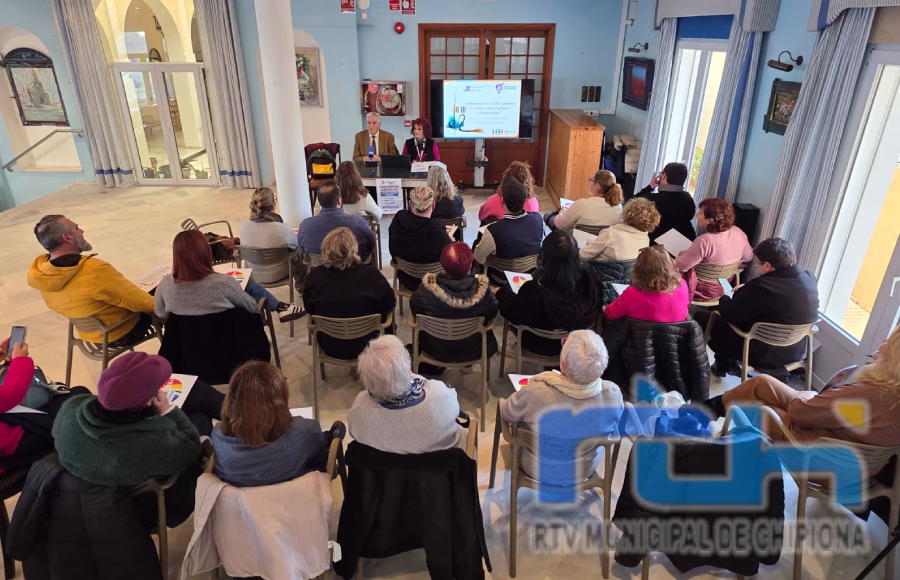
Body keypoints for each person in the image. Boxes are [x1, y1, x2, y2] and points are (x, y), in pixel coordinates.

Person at [52, 352, 221, 525]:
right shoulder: (153, 444)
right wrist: (169, 411)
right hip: (153, 501)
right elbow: (191, 448)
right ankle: (239, 417)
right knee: (200, 416)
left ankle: (236, 413)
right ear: (148, 401)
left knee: (196, 395)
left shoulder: (70, 408)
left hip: (95, 480)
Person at [703, 325, 900, 447]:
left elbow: (801, 413)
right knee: (762, 382)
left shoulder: (867, 393)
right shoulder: (889, 392)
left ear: (892, 357)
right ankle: (708, 410)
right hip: (845, 450)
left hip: (819, 452)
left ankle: (713, 435)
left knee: (759, 407)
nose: (882, 342)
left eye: (888, 341)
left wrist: (808, 395)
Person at [500, 330, 624, 482]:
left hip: (537, 468)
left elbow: (507, 412)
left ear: (563, 364)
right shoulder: (612, 393)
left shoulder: (537, 391)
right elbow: (615, 421)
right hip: (584, 469)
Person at [695, 238, 819, 377]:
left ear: (767, 265)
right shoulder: (810, 278)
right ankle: (725, 366)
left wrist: (725, 296)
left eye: (758, 264)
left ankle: (722, 365)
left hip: (761, 351)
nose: (758, 267)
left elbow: (729, 314)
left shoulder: (761, 287)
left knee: (703, 317)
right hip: (794, 350)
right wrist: (747, 291)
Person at [28, 214, 155, 346]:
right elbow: (139, 302)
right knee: (169, 296)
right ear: (67, 237)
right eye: (76, 228)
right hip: (122, 332)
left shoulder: (42, 272)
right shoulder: (93, 270)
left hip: (91, 335)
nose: (82, 231)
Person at [212, 361, 328, 487]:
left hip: (244, 505)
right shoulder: (306, 432)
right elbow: (320, 456)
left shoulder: (218, 437)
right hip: (297, 500)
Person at [348, 335, 467, 454]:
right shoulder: (439, 395)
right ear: (408, 366)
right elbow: (455, 410)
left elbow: (353, 432)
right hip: (440, 468)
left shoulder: (359, 408)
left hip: (384, 471)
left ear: (367, 381)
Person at [155, 230, 303, 322]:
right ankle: (279, 306)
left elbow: (161, 313)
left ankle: (280, 306)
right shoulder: (223, 283)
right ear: (206, 253)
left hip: (189, 350)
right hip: (229, 345)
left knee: (246, 285)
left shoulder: (165, 285)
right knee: (247, 291)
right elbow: (251, 306)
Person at [497, 230, 601, 358]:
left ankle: (517, 348)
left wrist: (503, 292)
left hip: (540, 344)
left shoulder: (535, 289)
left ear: (545, 256)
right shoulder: (590, 282)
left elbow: (513, 312)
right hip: (575, 346)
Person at [303, 228, 395, 369]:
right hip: (371, 345)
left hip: (330, 344)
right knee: (389, 320)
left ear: (325, 249)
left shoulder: (314, 277)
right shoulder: (371, 275)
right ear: (354, 249)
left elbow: (309, 309)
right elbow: (390, 303)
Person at [0, 339, 91, 472]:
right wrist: (19, 360)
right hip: (13, 444)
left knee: (72, 397)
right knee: (79, 402)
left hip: (8, 426)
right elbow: (10, 393)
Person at [410, 242, 499, 369]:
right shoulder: (483, 292)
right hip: (474, 349)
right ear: (469, 265)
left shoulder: (425, 290)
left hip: (434, 348)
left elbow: (415, 308)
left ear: (442, 264)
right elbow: (493, 312)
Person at [675, 198, 753, 303]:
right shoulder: (738, 232)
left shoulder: (704, 241)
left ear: (710, 221)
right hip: (725, 285)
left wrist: (681, 256)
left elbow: (680, 267)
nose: (696, 215)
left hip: (700, 290)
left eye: (700, 213)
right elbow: (749, 257)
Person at [474, 176, 544, 285]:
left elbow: (479, 258)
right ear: (525, 200)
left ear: (502, 200)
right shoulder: (539, 221)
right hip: (530, 275)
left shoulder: (493, 230)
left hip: (500, 278)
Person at [388, 185, 453, 292]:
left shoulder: (398, 219)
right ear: (433, 205)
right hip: (433, 283)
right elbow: (449, 257)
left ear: (410, 203)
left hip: (405, 277)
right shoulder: (436, 229)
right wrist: (451, 241)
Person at [603, 245, 689, 323]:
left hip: (637, 339)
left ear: (639, 270)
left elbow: (609, 314)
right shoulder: (682, 285)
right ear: (669, 265)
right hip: (675, 338)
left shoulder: (632, 294)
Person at [297, 180, 376, 259]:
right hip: (352, 268)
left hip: (318, 268)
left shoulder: (305, 226)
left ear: (319, 202)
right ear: (339, 201)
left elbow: (303, 250)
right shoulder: (358, 223)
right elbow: (372, 244)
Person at [238, 187, 299, 284]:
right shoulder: (282, 228)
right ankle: (302, 287)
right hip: (279, 273)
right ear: (273, 206)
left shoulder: (243, 227)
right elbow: (295, 246)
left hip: (252, 274)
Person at [633, 162, 696, 243]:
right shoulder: (688, 198)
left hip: (656, 247)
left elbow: (631, 203)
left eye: (661, 173)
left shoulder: (652, 200)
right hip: (684, 243)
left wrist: (649, 187)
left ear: (664, 176)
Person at [580, 197, 659, 262]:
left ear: (628, 212)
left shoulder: (610, 234)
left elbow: (583, 255)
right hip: (627, 279)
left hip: (597, 276)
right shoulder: (645, 239)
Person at [547, 169, 623, 232]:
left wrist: (563, 211)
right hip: (601, 242)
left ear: (597, 186)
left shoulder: (582, 204)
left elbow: (559, 224)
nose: (589, 182)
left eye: (591, 180)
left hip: (577, 242)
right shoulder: (619, 207)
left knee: (548, 215)